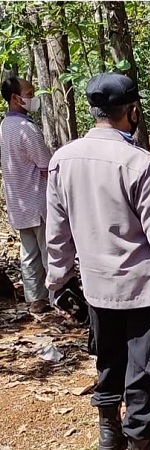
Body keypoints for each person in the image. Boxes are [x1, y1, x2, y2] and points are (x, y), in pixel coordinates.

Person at [45, 73, 150, 450]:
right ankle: (140, 441)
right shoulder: (138, 163)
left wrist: (58, 284)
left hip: (96, 289)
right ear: (133, 112)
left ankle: (109, 433)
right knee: (148, 367)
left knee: (108, 359)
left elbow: (56, 234)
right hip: (142, 291)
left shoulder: (62, 160)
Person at [0, 76, 52, 313]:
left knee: (29, 254)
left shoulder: (4, 126)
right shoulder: (27, 129)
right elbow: (45, 166)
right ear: (15, 98)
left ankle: (35, 300)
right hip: (37, 201)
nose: (32, 98)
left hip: (18, 203)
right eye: (29, 93)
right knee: (50, 252)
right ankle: (58, 297)